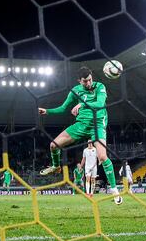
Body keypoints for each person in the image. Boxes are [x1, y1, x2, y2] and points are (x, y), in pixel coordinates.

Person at [38, 66, 122, 205]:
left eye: (89, 80)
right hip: (81, 125)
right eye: (85, 81)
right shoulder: (75, 91)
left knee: (102, 156)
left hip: (97, 125)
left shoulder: (100, 86)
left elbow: (100, 103)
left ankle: (115, 191)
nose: (88, 83)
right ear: (79, 81)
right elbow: (63, 108)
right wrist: (47, 111)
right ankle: (56, 166)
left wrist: (82, 105)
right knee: (53, 145)